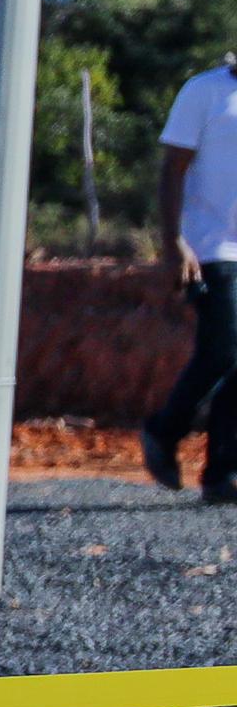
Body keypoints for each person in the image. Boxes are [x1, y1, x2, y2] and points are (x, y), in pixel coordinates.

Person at [147, 54, 237, 499]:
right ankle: (164, 430)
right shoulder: (205, 90)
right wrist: (173, 241)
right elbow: (172, 169)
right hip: (211, 249)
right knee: (223, 349)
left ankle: (222, 474)